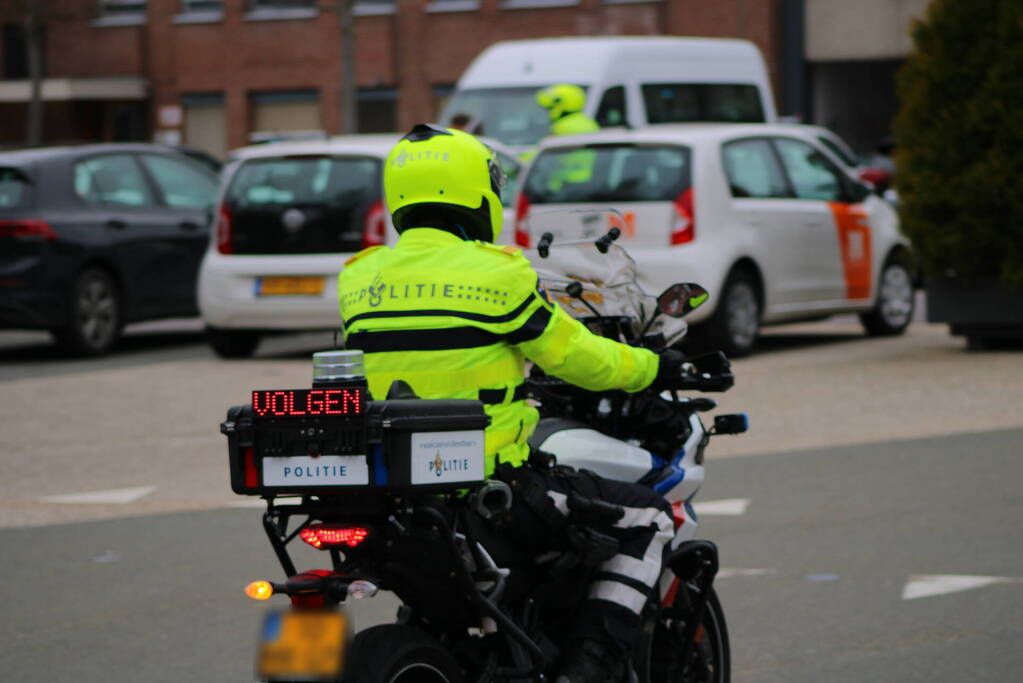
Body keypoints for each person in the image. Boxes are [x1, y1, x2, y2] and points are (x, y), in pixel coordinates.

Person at [338, 124, 682, 683]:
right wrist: (652, 366)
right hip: (489, 484)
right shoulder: (500, 275)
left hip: (392, 493)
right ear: (477, 192)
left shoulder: (360, 278)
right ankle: (587, 670)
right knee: (649, 518)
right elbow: (578, 358)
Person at [536, 84, 600, 136]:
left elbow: (548, 149)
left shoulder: (561, 127)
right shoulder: (589, 123)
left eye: (549, 108)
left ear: (558, 103)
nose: (548, 112)